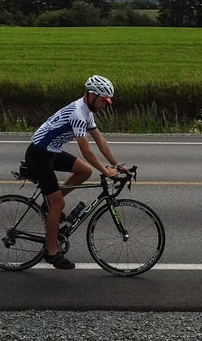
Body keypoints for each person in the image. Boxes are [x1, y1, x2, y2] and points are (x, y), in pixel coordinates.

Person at [24, 75, 129, 270]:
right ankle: (52, 252)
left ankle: (50, 204)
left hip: (51, 151)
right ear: (91, 95)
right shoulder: (78, 114)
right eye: (103, 101)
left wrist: (117, 164)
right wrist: (105, 171)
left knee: (84, 171)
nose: (105, 105)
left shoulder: (88, 111)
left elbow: (100, 141)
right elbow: (86, 151)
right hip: (38, 154)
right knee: (58, 204)